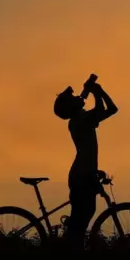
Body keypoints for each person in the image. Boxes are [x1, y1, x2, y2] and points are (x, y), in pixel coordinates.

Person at [53, 80, 118, 248]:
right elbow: (100, 110)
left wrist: (100, 91)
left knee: (83, 217)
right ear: (71, 107)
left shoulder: (81, 118)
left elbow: (111, 109)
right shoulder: (80, 120)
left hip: (84, 173)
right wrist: (96, 92)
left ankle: (71, 247)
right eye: (74, 98)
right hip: (82, 175)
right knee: (81, 220)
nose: (78, 97)